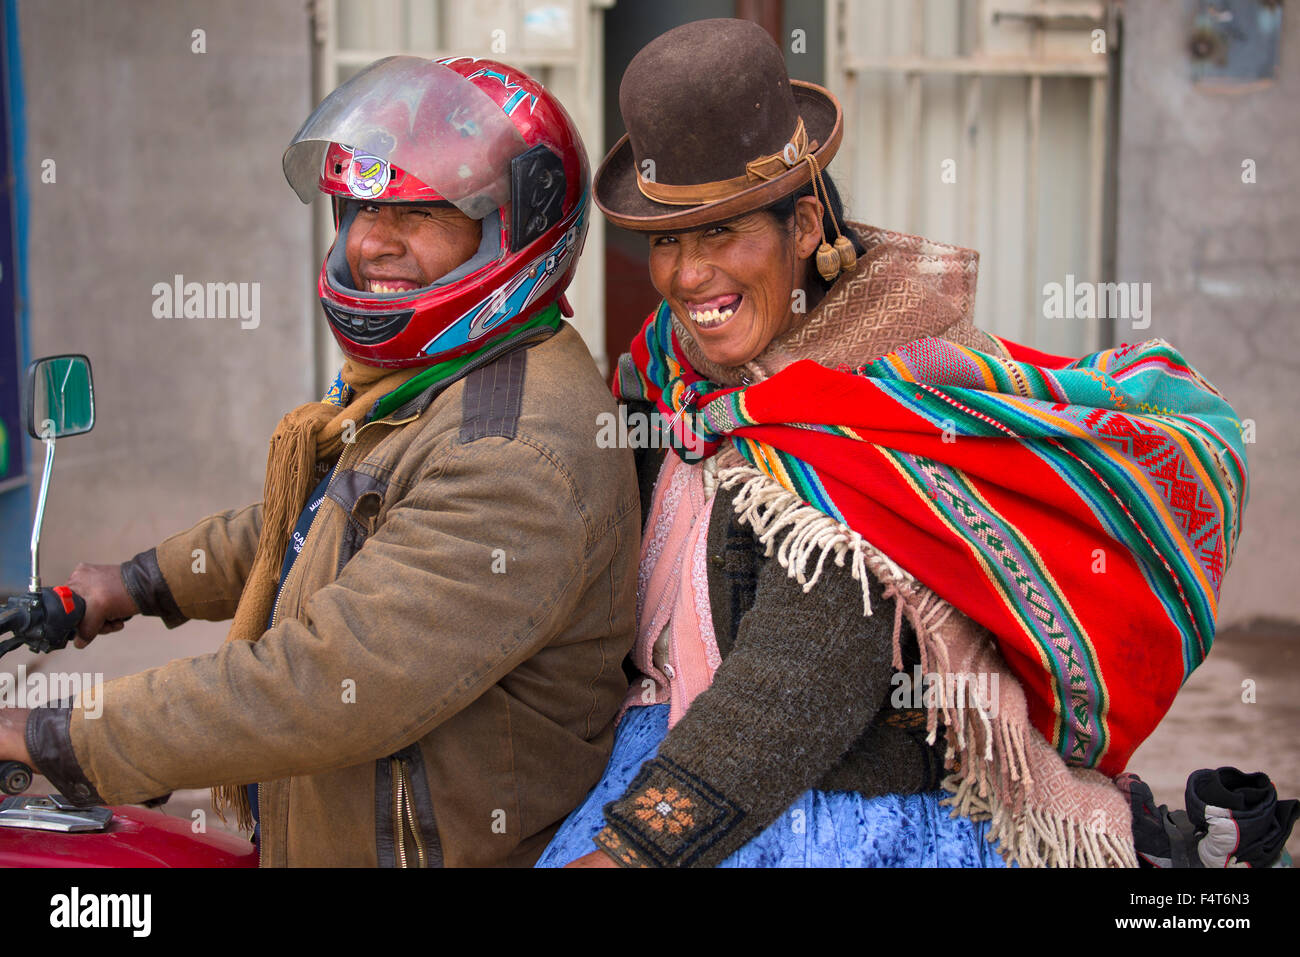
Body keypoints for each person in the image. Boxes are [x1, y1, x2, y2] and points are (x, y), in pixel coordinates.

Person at [541, 19, 1249, 868]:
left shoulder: (870, 410)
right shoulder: (667, 375)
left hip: (831, 810)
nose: (688, 277)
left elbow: (801, 678)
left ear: (804, 227)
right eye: (667, 241)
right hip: (658, 755)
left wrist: (633, 848)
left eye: (723, 233)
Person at [0, 56, 640, 867]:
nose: (372, 243)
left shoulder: (510, 453)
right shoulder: (437, 385)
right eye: (359, 207)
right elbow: (312, 520)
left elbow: (316, 683)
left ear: (510, 231)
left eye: (420, 213)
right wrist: (125, 585)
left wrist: (49, 734)